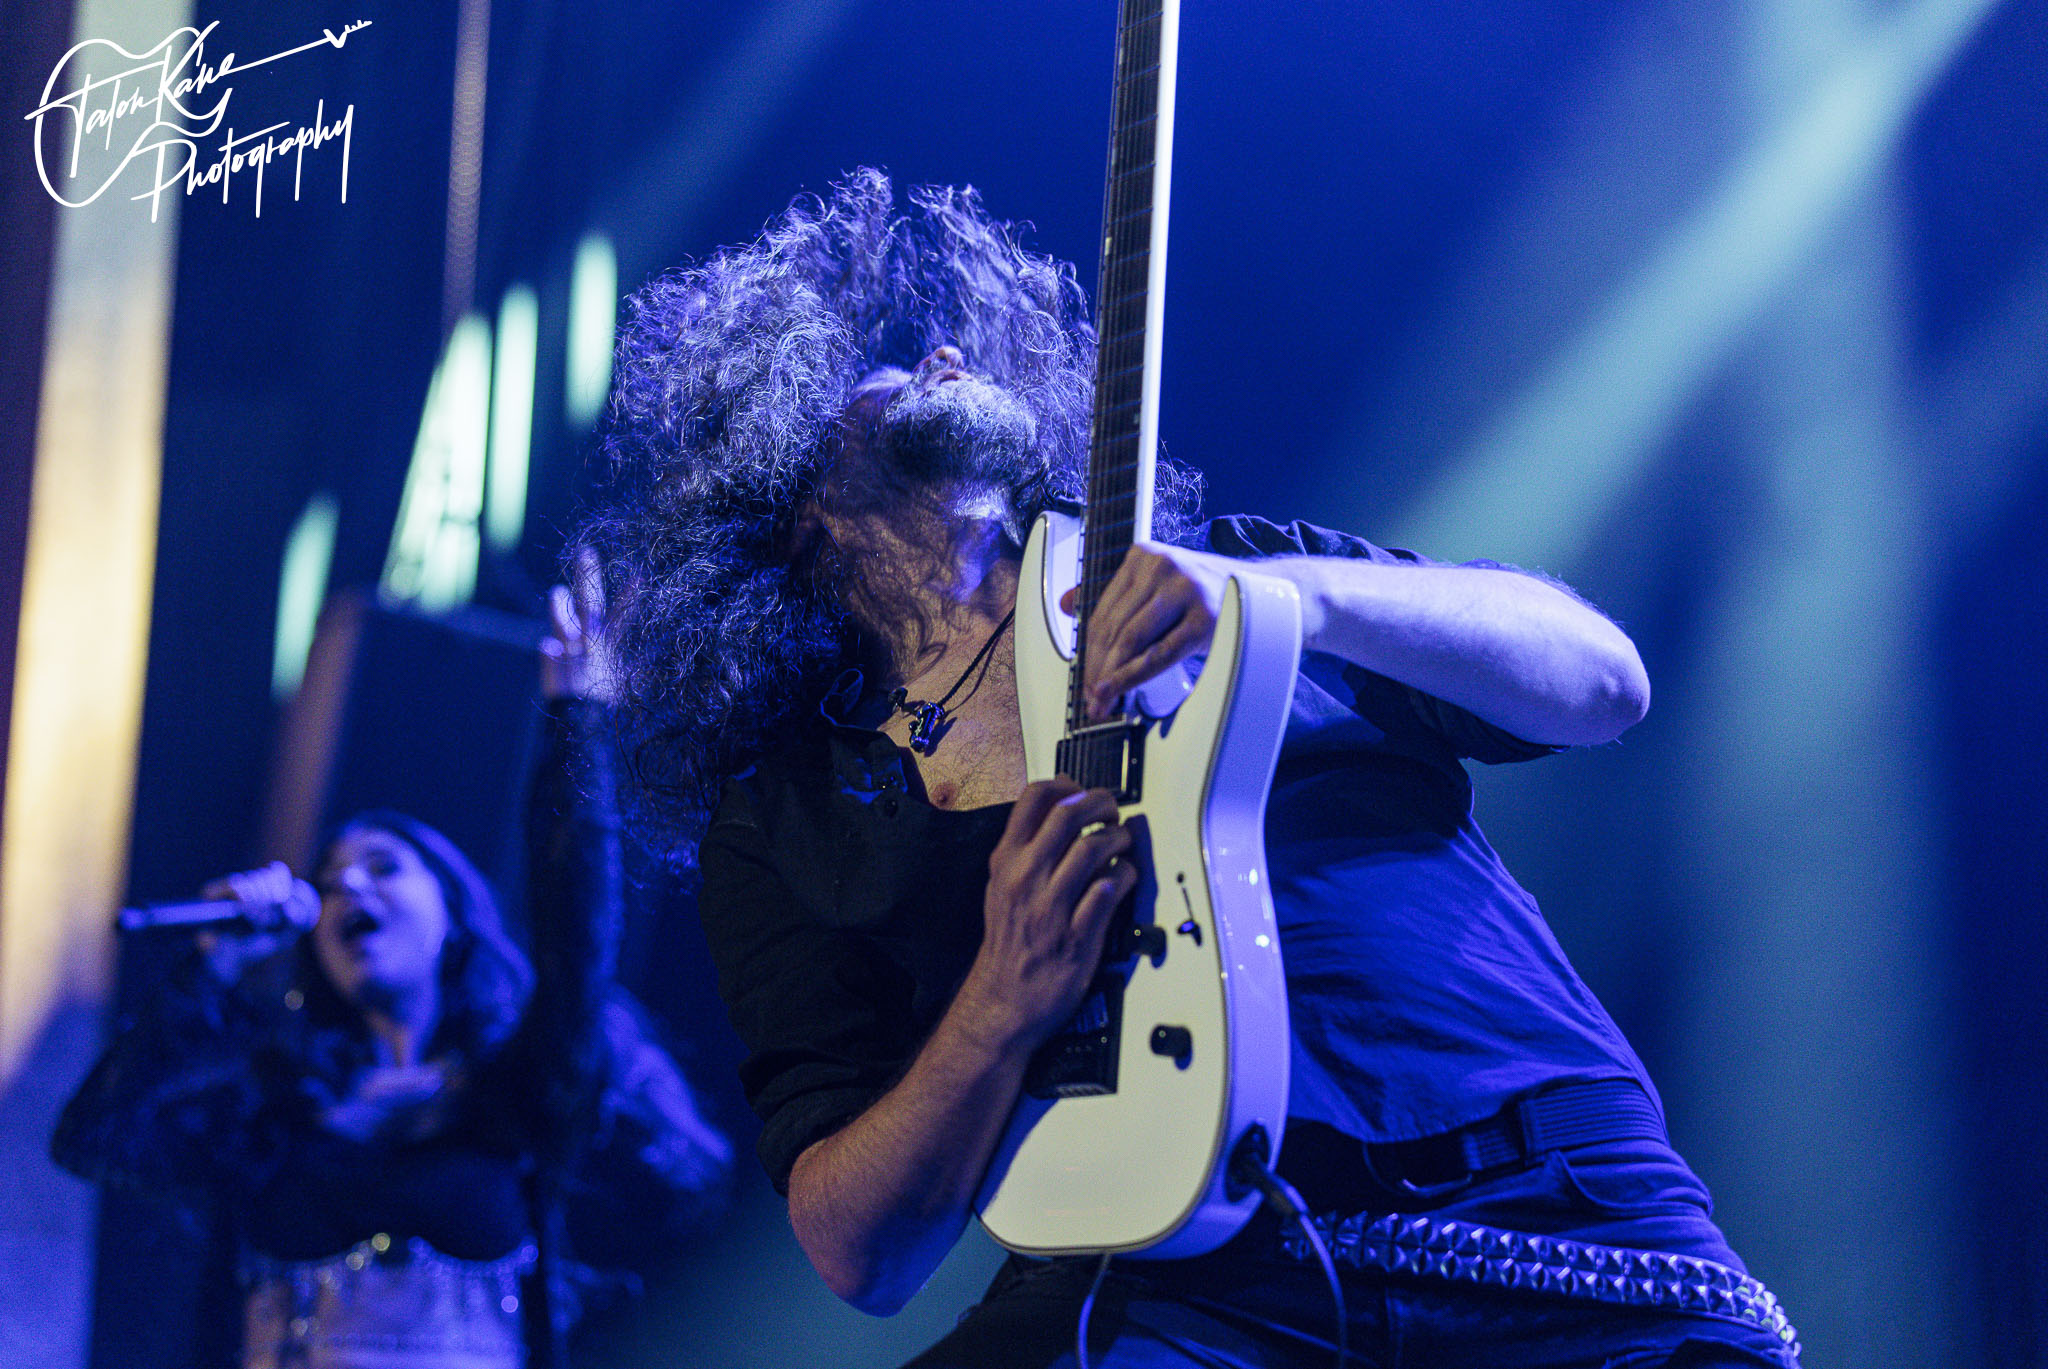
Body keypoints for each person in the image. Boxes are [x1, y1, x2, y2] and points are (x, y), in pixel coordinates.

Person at [575, 168, 1800, 1367]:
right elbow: (859, 1252)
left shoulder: (1223, 574)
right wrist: (998, 1000)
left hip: (1539, 1189)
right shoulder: (783, 822)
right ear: (783, 477)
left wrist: (1293, 598)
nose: (945, 356)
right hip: (1178, 1273)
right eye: (891, 361)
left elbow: (1601, 681)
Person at [52, 578, 733, 1369]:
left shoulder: (518, 1093)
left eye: (383, 867)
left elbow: (577, 937)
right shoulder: (273, 1113)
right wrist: (215, 961)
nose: (349, 886)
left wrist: (576, 717)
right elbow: (95, 1137)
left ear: (453, 919)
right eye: (331, 880)